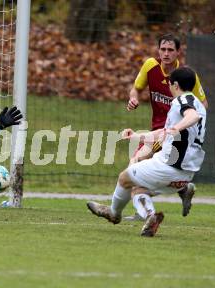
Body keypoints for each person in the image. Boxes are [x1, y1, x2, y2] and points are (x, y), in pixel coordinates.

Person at [87, 66, 207, 237]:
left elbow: (191, 116)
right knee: (138, 189)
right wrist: (137, 136)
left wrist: (177, 127)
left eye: (170, 85)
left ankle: (113, 213)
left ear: (175, 85)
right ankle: (151, 217)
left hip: (169, 166)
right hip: (186, 173)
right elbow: (164, 133)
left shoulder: (182, 101)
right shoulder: (199, 104)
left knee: (125, 177)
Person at [125, 33, 208, 221]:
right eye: (163, 49)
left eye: (171, 50)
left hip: (172, 134)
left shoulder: (186, 76)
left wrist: (182, 124)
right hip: (158, 129)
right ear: (158, 50)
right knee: (139, 167)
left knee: (134, 164)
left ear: (178, 52)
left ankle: (143, 211)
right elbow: (136, 89)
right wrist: (133, 98)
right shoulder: (150, 66)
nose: (166, 53)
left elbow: (203, 105)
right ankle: (183, 188)